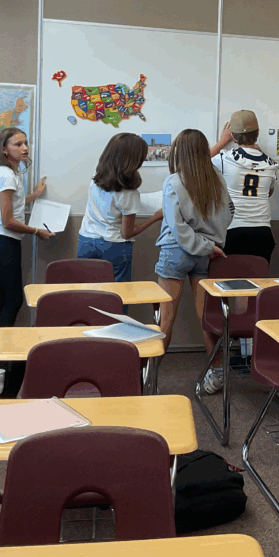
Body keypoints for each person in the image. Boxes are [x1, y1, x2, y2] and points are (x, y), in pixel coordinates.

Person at [155, 129, 234, 391]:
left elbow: (177, 228)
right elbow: (230, 212)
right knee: (205, 319)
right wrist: (209, 244)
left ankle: (148, 380)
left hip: (176, 252)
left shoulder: (173, 181)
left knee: (165, 320)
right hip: (205, 255)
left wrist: (201, 244)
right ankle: (218, 373)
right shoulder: (217, 179)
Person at [0, 128, 53, 330]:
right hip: (2, 238)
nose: (25, 148)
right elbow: (7, 221)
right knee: (13, 298)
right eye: (18, 144)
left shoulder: (10, 173)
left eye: (26, 143)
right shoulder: (6, 175)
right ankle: (3, 344)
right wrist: (36, 232)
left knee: (5, 295)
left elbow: (15, 203)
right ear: (4, 150)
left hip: (3, 239)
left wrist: (36, 194)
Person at [77, 133, 162, 282]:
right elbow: (127, 233)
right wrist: (154, 218)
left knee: (86, 291)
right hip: (114, 246)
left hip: (86, 241)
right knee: (117, 293)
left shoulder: (97, 177)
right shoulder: (128, 192)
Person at [210, 110, 279, 263]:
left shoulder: (224, 159)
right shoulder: (271, 164)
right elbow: (269, 192)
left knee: (228, 277)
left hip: (233, 230)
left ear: (233, 136)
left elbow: (196, 165)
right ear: (257, 133)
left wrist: (221, 142)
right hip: (263, 232)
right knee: (258, 275)